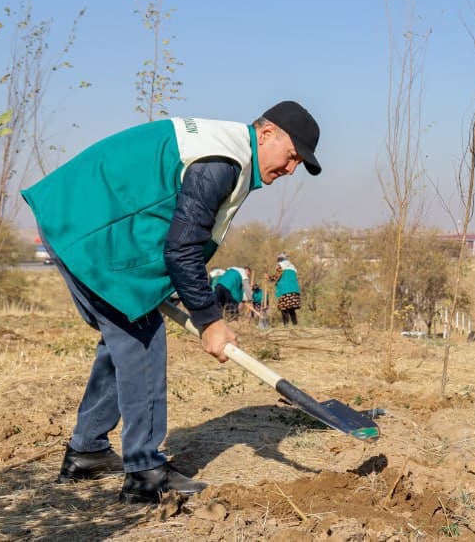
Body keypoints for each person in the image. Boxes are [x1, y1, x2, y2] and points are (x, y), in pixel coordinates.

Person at [22, 101, 322, 503]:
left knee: (123, 339)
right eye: (291, 157)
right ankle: (146, 471)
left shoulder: (225, 151)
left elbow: (178, 235)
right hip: (89, 232)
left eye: (298, 164)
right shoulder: (222, 161)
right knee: (142, 340)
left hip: (79, 224)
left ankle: (88, 450)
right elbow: (182, 249)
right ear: (266, 134)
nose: (290, 169)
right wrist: (211, 320)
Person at [269, 254, 301, 326]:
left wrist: (268, 278)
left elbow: (276, 277)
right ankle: (295, 325)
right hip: (294, 290)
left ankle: (286, 325)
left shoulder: (280, 265)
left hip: (285, 290)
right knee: (291, 308)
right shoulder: (292, 267)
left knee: (283, 308)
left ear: (279, 260)